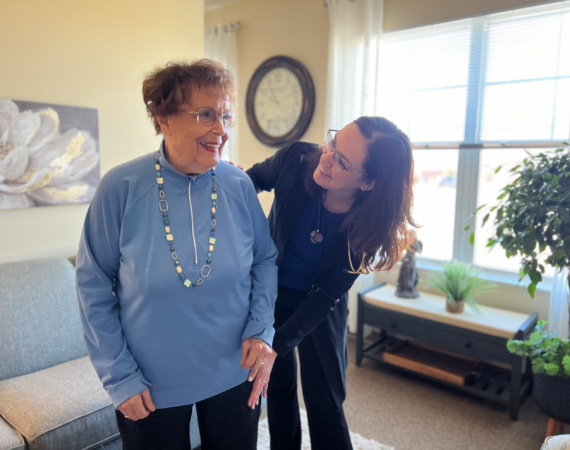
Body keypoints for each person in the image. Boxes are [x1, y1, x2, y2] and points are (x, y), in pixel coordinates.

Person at [76, 59, 278, 450]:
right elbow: (92, 285)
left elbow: (264, 260)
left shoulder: (238, 185)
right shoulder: (120, 186)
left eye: (225, 115)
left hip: (234, 369)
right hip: (150, 382)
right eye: (206, 114)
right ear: (163, 117)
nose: (220, 129)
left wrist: (262, 329)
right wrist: (119, 378)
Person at [245, 117, 416, 450]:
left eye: (342, 161)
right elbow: (249, 180)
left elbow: (324, 297)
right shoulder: (297, 159)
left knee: (325, 399)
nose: (327, 158)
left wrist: (276, 346)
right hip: (272, 290)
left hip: (320, 304)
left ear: (368, 183)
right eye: (333, 144)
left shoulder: (368, 227)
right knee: (276, 388)